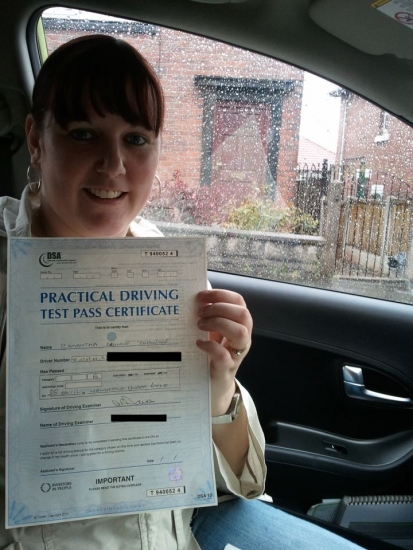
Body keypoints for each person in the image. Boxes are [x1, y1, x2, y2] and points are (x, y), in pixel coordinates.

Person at [0, 35, 365, 550]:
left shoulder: (167, 268)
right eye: (83, 134)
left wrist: (219, 386)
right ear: (36, 140)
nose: (113, 164)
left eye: (136, 139)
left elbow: (237, 485)